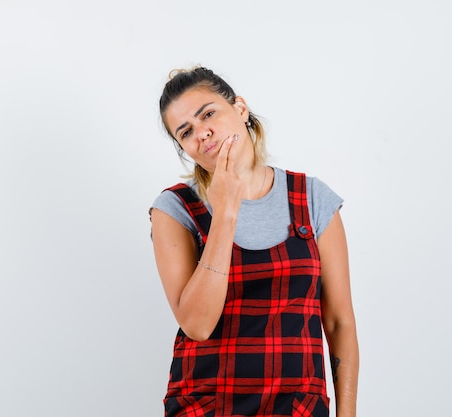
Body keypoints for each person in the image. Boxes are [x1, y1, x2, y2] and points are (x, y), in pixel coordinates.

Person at [149, 66, 359, 417]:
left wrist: (347, 414)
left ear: (240, 109)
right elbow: (197, 325)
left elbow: (339, 322)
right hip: (207, 407)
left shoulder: (312, 199)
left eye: (208, 114)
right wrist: (227, 210)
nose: (202, 133)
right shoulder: (174, 209)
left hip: (298, 408)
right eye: (186, 132)